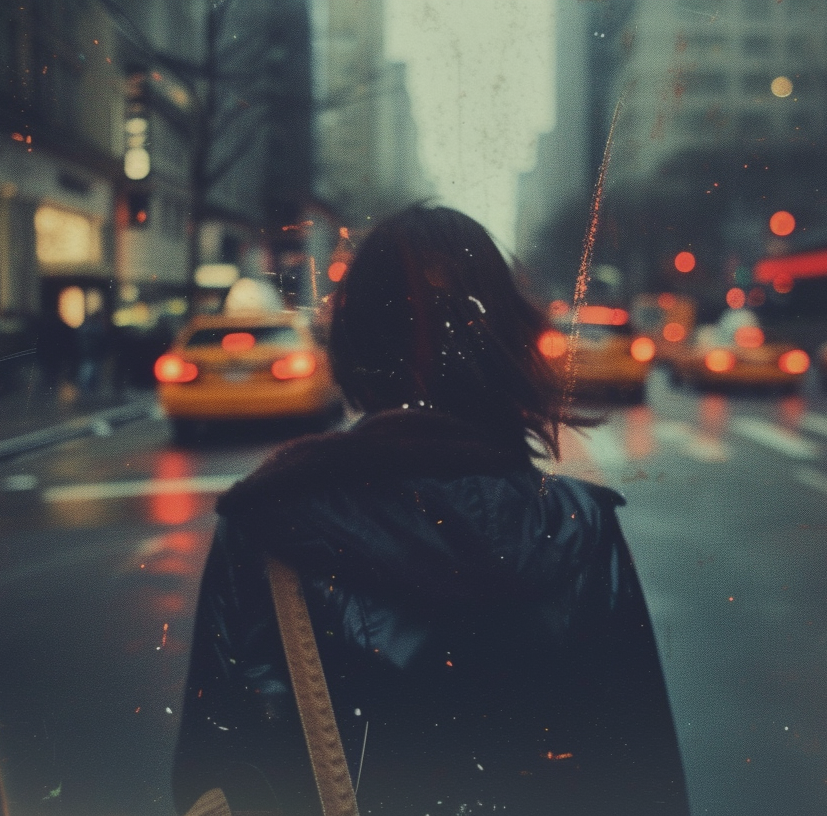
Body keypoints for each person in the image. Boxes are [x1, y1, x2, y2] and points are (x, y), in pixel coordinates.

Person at [172, 205, 689, 815]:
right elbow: (642, 775)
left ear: (356, 347)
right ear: (507, 344)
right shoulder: (578, 526)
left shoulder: (266, 523)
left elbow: (212, 774)